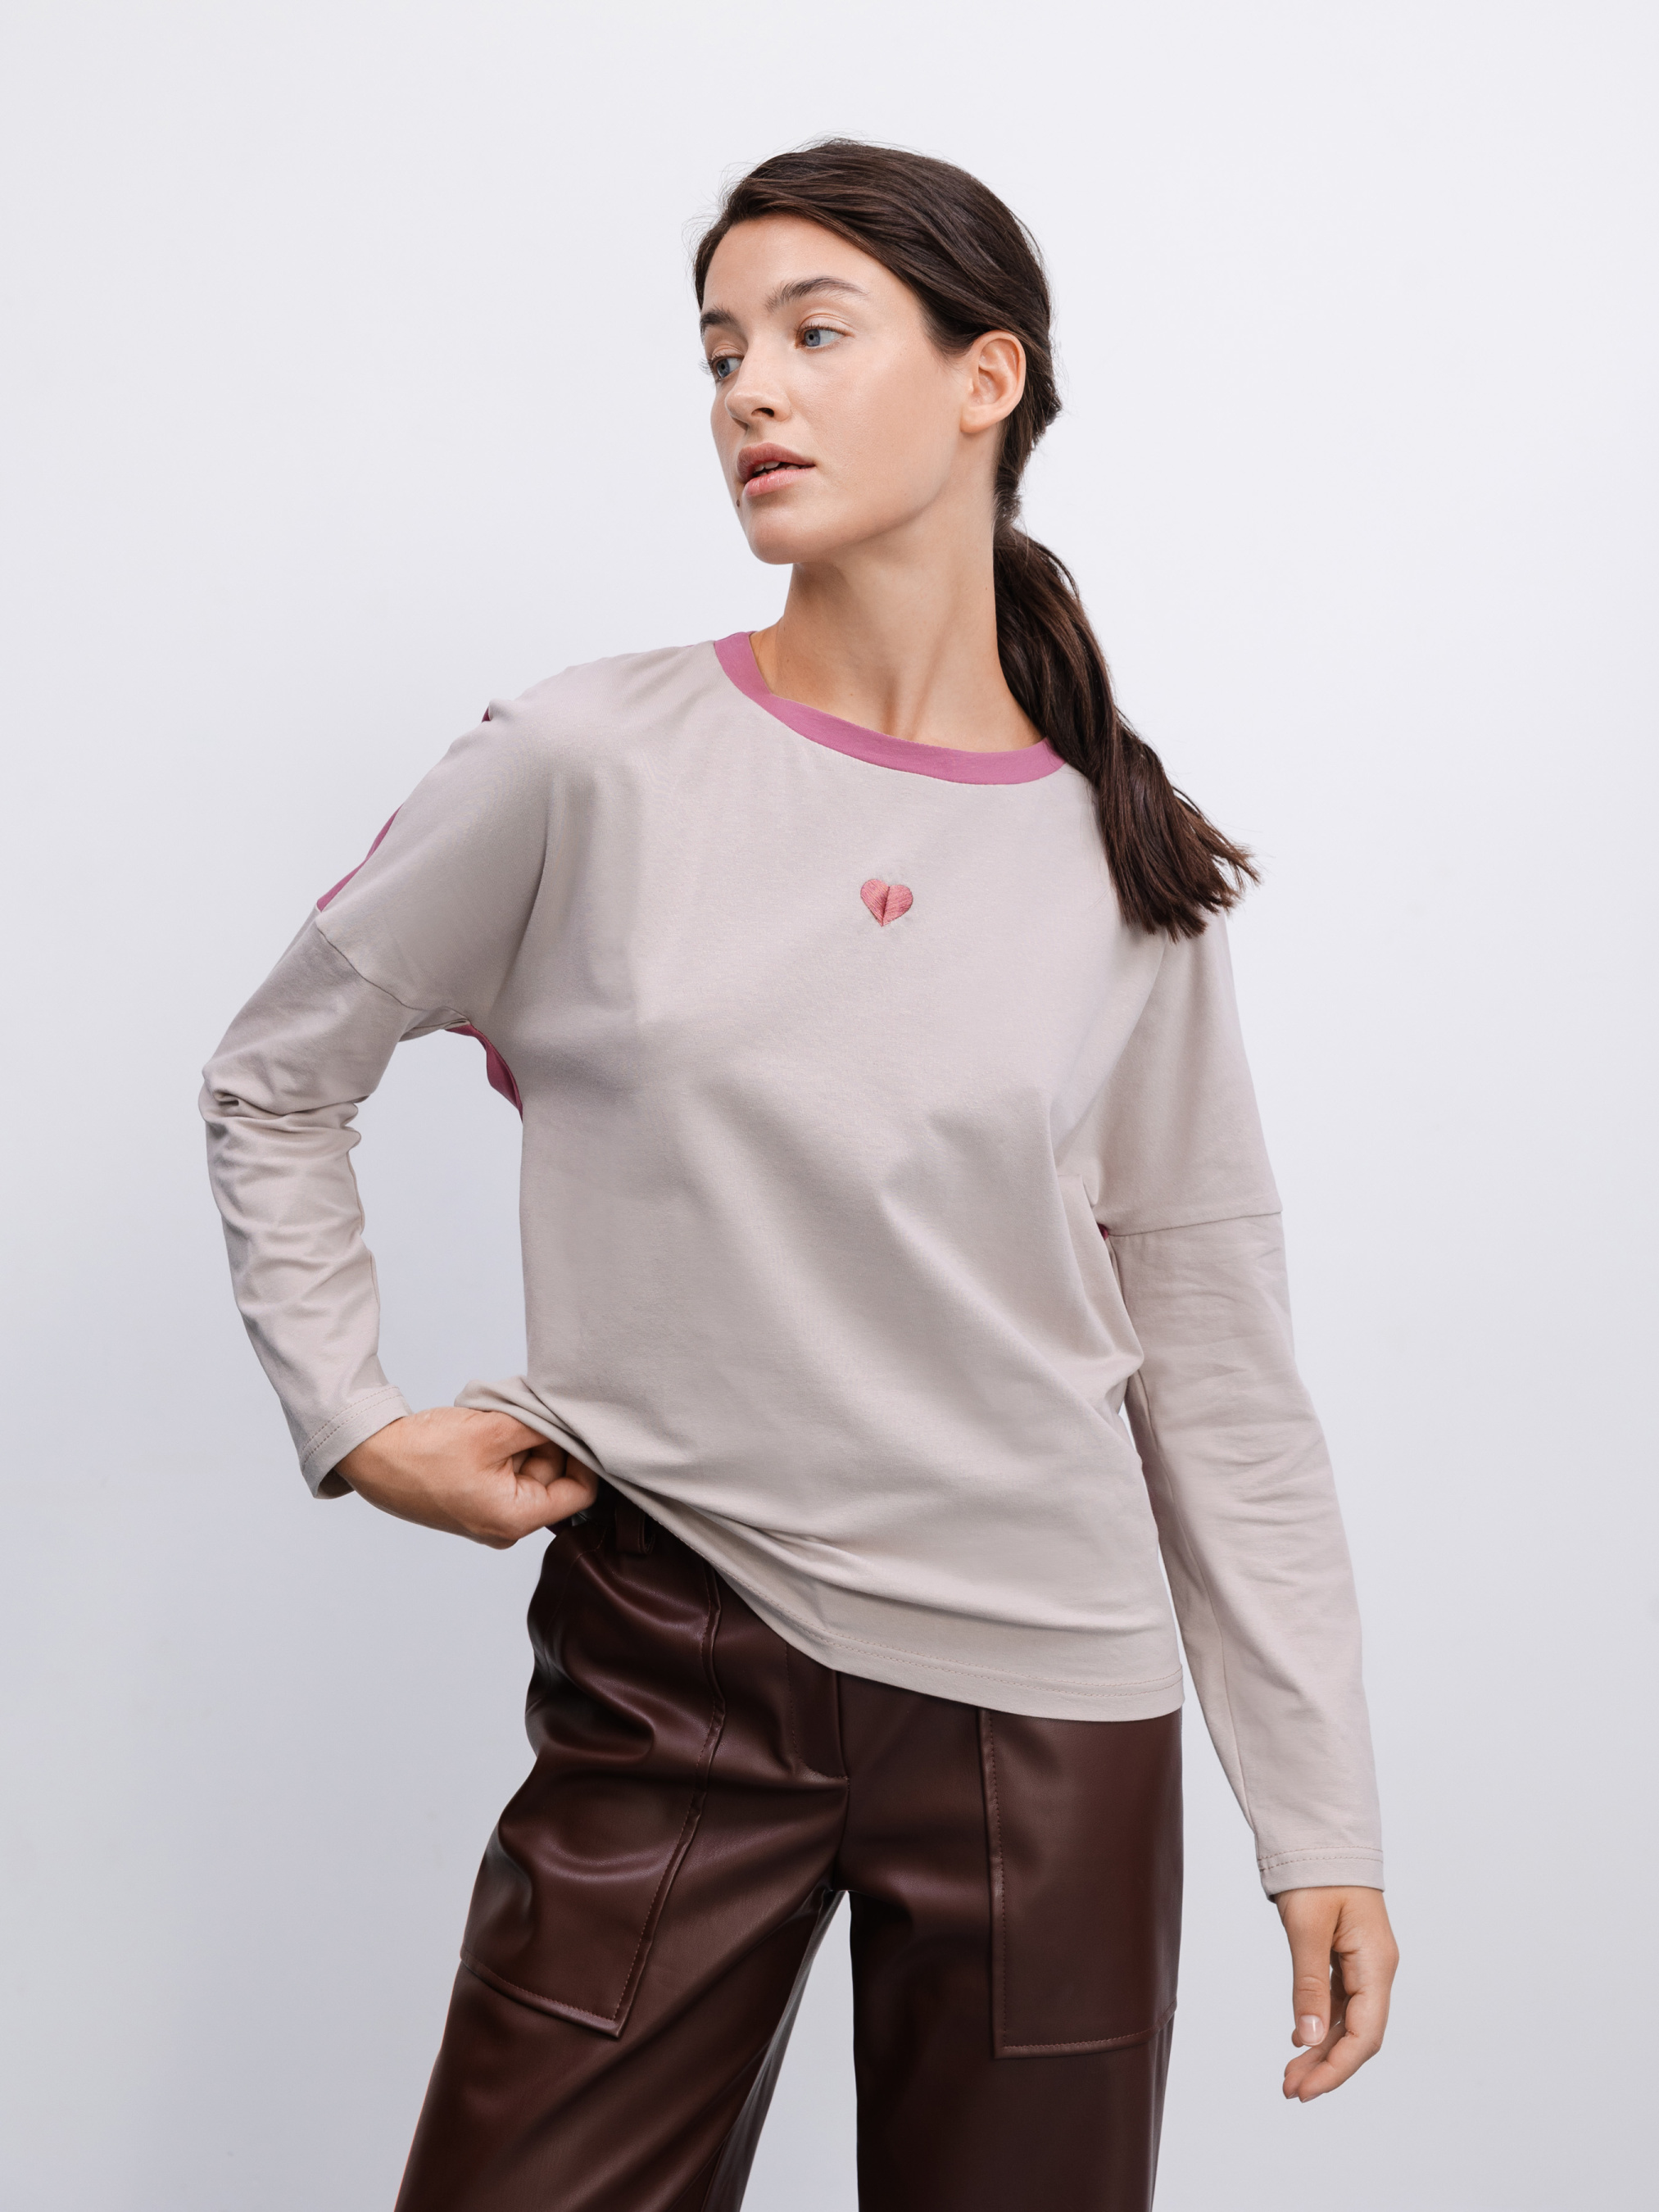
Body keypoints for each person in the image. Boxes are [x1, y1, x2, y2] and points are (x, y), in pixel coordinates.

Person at [202, 139, 1397, 2212]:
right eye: (720, 350)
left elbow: (1215, 1367)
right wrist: (354, 1419)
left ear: (983, 378)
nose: (749, 388)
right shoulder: (587, 761)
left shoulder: (1124, 867)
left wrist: (1321, 1822)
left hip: (1051, 1723)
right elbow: (275, 1078)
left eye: (814, 333)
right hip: (671, 1657)